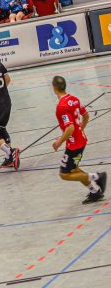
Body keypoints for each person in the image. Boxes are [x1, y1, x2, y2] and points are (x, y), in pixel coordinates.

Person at [51, 76, 107, 204]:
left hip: (74, 145)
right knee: (73, 169)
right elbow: (86, 116)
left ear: (54, 87)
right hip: (80, 140)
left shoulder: (61, 106)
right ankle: (95, 191)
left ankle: (97, 176)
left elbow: (70, 128)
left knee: (64, 174)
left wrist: (59, 142)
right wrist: (80, 130)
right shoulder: (74, 99)